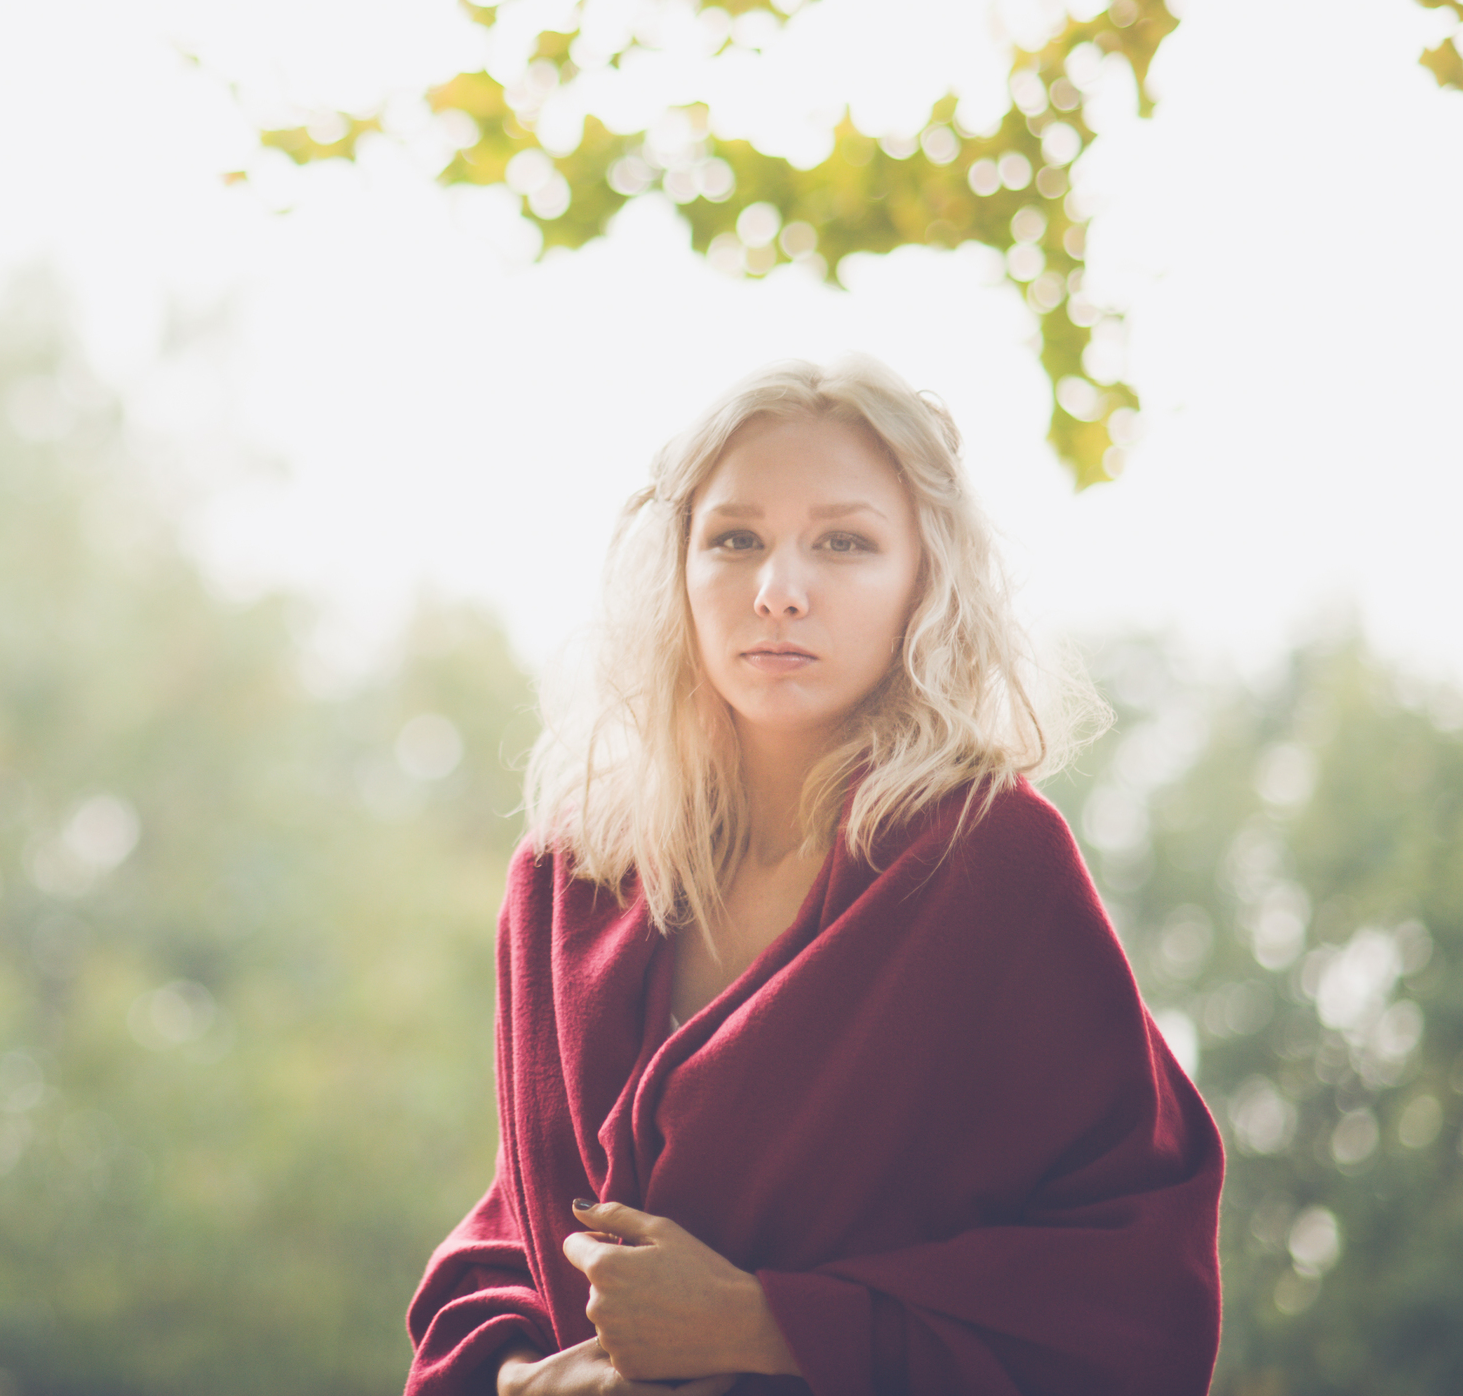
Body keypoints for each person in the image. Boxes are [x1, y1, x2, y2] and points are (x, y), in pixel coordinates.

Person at [405, 358, 1223, 1396]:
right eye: (734, 538)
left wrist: (768, 1324)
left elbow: (1134, 1291)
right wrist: (523, 1371)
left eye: (844, 542)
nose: (777, 589)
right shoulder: (570, 878)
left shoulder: (988, 863)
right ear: (678, 570)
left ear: (923, 581)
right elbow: (512, 1232)